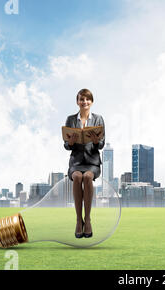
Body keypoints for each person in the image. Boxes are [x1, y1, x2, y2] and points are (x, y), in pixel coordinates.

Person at [64, 88, 105, 238]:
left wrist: (96, 141)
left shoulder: (98, 119)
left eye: (87, 99)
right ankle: (77, 220)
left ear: (91, 102)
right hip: (76, 162)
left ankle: (87, 220)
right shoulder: (71, 119)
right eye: (82, 99)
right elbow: (66, 146)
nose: (84, 102)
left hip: (92, 162)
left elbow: (101, 145)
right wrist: (71, 142)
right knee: (77, 177)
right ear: (77, 102)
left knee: (87, 177)